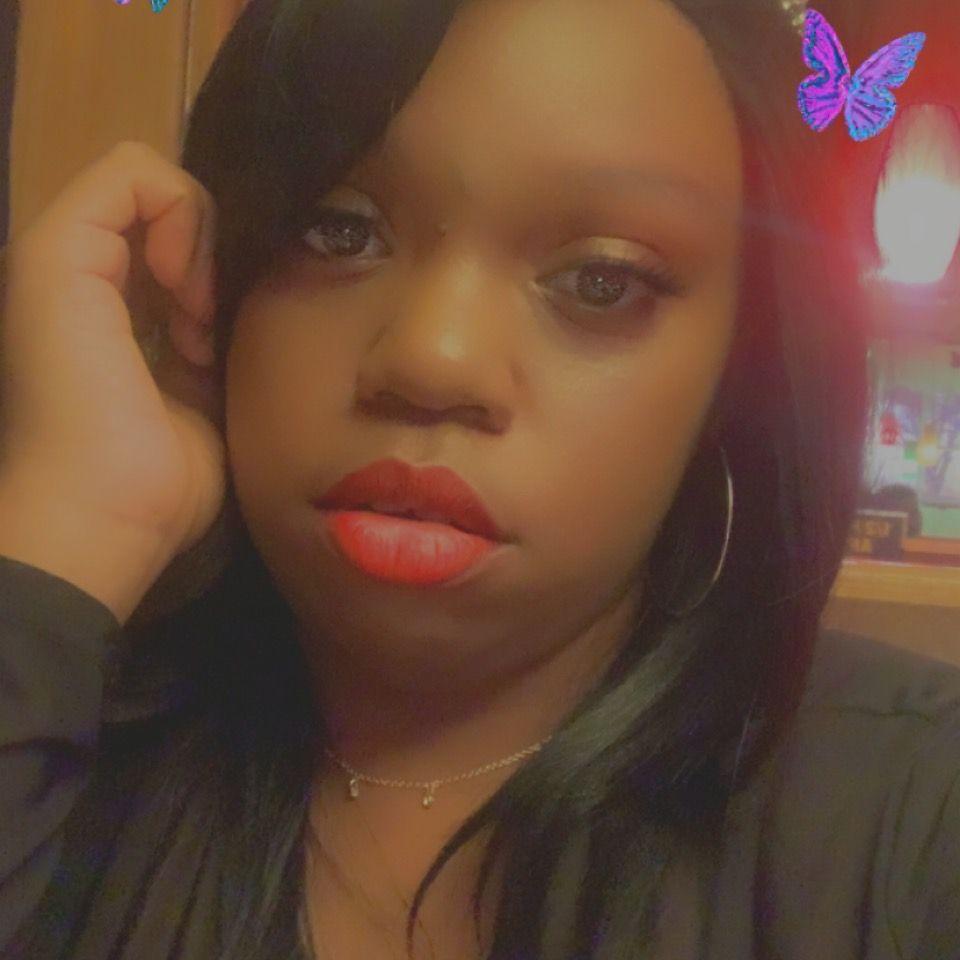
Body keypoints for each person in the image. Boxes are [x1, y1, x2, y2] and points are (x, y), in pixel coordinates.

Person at [1, 0, 958, 958]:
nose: (433, 358)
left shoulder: (918, 814)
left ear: (739, 376)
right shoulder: (61, 728)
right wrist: (71, 526)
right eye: (338, 231)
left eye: (601, 281)